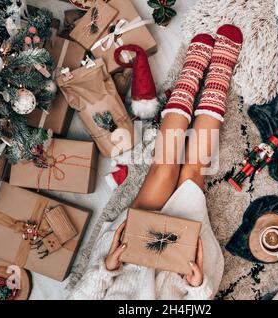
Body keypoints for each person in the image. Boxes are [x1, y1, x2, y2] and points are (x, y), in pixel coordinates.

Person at [68, 24, 243, 300]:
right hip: (177, 272)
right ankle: (219, 74)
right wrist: (198, 288)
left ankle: (190, 76)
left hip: (127, 263)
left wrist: (106, 268)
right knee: (193, 173)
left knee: (163, 167)